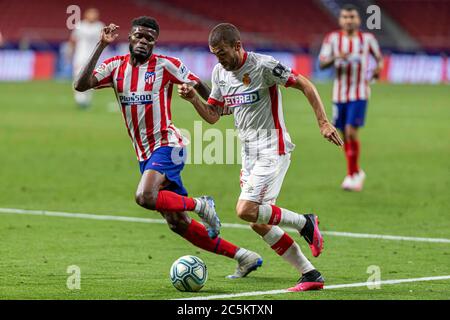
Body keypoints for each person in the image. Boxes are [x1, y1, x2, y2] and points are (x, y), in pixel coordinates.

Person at [74, 17, 262, 278]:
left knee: (145, 197)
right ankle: (244, 256)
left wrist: (216, 105)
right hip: (144, 154)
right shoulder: (114, 66)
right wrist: (101, 45)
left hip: (167, 145)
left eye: (149, 39)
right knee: (177, 223)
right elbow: (80, 85)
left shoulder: (166, 65)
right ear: (130, 37)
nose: (143, 42)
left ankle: (200, 204)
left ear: (155, 43)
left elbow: (201, 87)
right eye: (138, 36)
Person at [179, 23, 343, 291]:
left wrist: (323, 123)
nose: (218, 59)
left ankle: (305, 222)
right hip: (249, 153)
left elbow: (304, 84)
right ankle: (310, 275)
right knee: (257, 222)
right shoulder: (220, 73)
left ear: (237, 46)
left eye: (222, 52)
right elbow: (213, 115)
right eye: (214, 54)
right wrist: (194, 98)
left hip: (272, 147)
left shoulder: (263, 66)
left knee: (245, 210)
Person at [319, 4, 383, 191]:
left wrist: (378, 70)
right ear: (340, 20)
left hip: (360, 92)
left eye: (352, 17)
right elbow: (322, 64)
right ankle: (356, 172)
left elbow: (379, 59)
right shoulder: (332, 39)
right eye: (345, 17)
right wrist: (336, 57)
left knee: (351, 131)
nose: (348, 20)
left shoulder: (367, 39)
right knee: (342, 135)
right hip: (339, 94)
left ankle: (352, 174)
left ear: (358, 20)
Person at [69, 8, 104, 109]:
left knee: (91, 79)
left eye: (94, 14)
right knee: (78, 77)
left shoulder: (100, 26)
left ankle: (87, 100)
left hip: (94, 58)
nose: (93, 16)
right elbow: (73, 40)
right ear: (86, 14)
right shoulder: (80, 26)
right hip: (80, 56)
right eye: (91, 13)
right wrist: (70, 53)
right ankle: (79, 99)